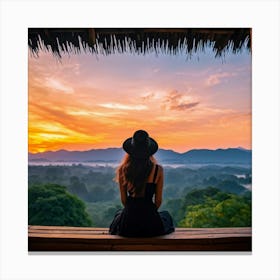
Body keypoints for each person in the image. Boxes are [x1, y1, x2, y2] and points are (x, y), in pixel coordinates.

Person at [109, 130, 174, 237]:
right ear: (149, 151)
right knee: (166, 216)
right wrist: (148, 215)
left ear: (131, 151)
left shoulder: (123, 170)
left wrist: (134, 213)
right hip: (151, 224)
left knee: (119, 214)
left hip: (129, 223)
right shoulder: (158, 170)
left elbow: (124, 200)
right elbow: (158, 201)